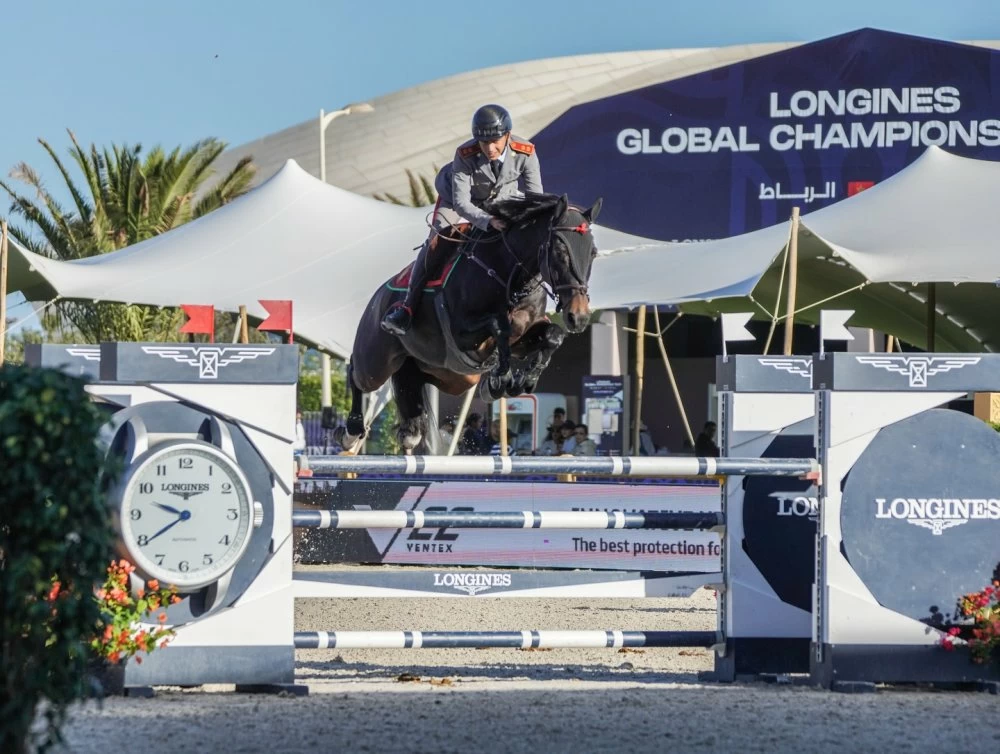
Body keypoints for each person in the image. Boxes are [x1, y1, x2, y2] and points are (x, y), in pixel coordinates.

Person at [381, 103, 543, 336]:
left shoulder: (526, 152)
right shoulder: (465, 154)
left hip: (501, 200)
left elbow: (534, 196)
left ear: (507, 136)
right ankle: (407, 308)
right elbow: (462, 203)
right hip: (458, 203)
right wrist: (488, 222)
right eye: (483, 142)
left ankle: (537, 305)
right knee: (436, 243)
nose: (489, 148)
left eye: (495, 141)